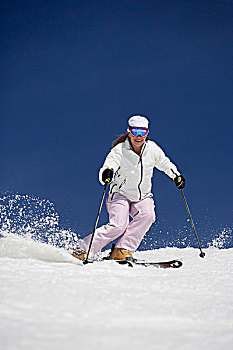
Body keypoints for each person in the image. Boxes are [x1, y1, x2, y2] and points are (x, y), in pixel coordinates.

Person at [73, 115, 185, 261]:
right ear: (129, 132)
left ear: (147, 133)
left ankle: (122, 249)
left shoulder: (152, 149)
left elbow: (165, 163)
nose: (139, 136)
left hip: (143, 195)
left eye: (142, 132)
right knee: (119, 225)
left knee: (148, 215)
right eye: (135, 131)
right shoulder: (120, 150)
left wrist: (176, 176)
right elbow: (110, 163)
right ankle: (83, 249)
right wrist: (107, 173)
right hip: (120, 194)